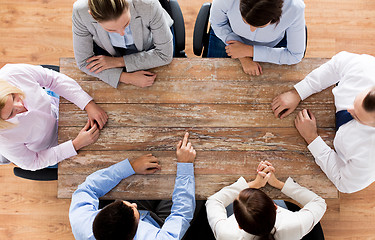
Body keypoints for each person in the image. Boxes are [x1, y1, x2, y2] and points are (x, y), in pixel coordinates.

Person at [271, 51, 375, 193]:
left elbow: (343, 183)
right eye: (356, 100)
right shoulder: (365, 67)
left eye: (358, 117)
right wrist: (299, 92)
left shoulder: (369, 158)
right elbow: (336, 66)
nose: (349, 109)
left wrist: (312, 139)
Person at [69, 132, 196, 240]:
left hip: (140, 219)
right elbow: (181, 215)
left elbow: (88, 188)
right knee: (193, 192)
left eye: (123, 203)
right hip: (159, 227)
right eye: (133, 208)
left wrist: (131, 166)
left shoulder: (81, 223)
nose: (133, 204)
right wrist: (185, 165)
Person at [0, 64, 108, 170]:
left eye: (14, 96)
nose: (21, 105)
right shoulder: (3, 139)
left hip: (56, 106)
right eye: (11, 113)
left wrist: (88, 104)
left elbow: (52, 79)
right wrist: (76, 145)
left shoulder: (12, 73)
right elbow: (33, 162)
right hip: (52, 147)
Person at [206, 161, 326, 240]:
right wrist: (278, 184)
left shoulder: (225, 234)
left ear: (239, 225)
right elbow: (319, 202)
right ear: (275, 207)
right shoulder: (295, 224)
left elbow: (213, 201)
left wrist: (252, 184)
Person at [72, 0, 174, 88]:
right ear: (92, 16)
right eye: (110, 30)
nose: (121, 33)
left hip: (149, 45)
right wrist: (125, 77)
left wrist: (117, 62)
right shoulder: (80, 11)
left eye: (126, 23)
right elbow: (84, 62)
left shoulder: (148, 4)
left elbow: (164, 55)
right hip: (109, 50)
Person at [208, 0, 306, 76]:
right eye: (245, 21)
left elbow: (295, 55)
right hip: (228, 34)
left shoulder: (295, 8)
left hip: (272, 44)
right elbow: (218, 23)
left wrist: (250, 51)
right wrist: (243, 57)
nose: (252, 30)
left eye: (260, 26)